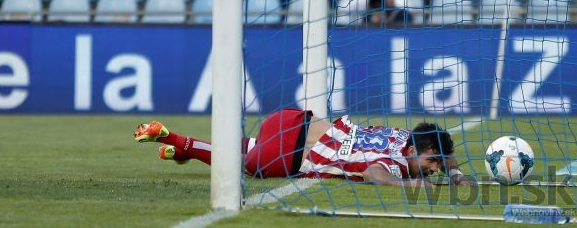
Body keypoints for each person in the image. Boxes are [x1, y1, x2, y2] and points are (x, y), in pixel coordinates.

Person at [133, 108, 469, 186]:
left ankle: (183, 151)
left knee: (248, 146)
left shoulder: (399, 134)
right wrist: (411, 182)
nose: (436, 167)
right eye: (434, 161)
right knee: (246, 163)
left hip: (287, 119)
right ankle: (173, 138)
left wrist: (455, 172)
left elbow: (439, 146)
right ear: (413, 151)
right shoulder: (396, 162)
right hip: (287, 157)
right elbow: (374, 173)